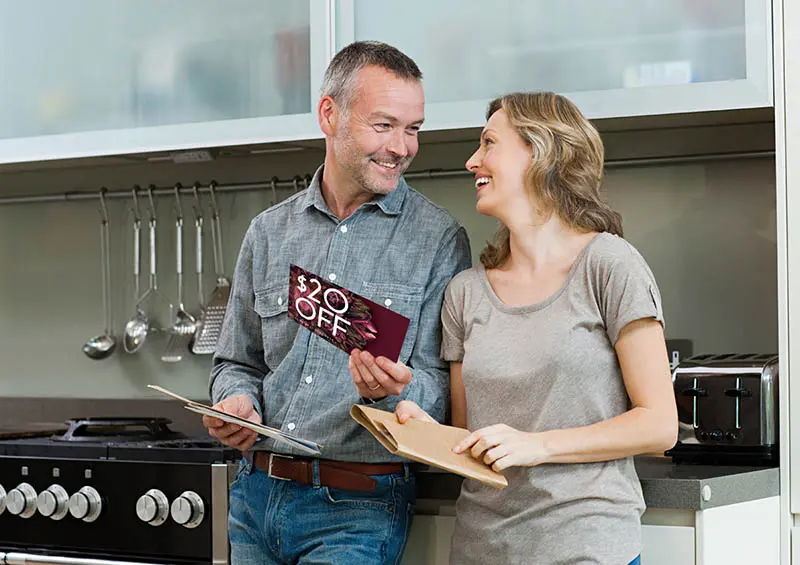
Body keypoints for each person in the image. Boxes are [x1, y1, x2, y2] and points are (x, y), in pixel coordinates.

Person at [204, 41, 472, 565]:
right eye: (384, 125)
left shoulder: (439, 238)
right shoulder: (268, 233)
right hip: (254, 500)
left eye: (413, 128)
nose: (402, 146)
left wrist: (393, 393)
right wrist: (236, 402)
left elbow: (442, 391)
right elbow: (236, 362)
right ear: (330, 114)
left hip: (357, 508)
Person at [395, 91, 678, 565]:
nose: (472, 161)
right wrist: (430, 435)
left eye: (488, 143)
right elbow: (471, 437)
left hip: (586, 548)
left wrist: (538, 445)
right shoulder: (465, 292)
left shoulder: (608, 265)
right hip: (481, 549)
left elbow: (659, 424)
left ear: (541, 152)